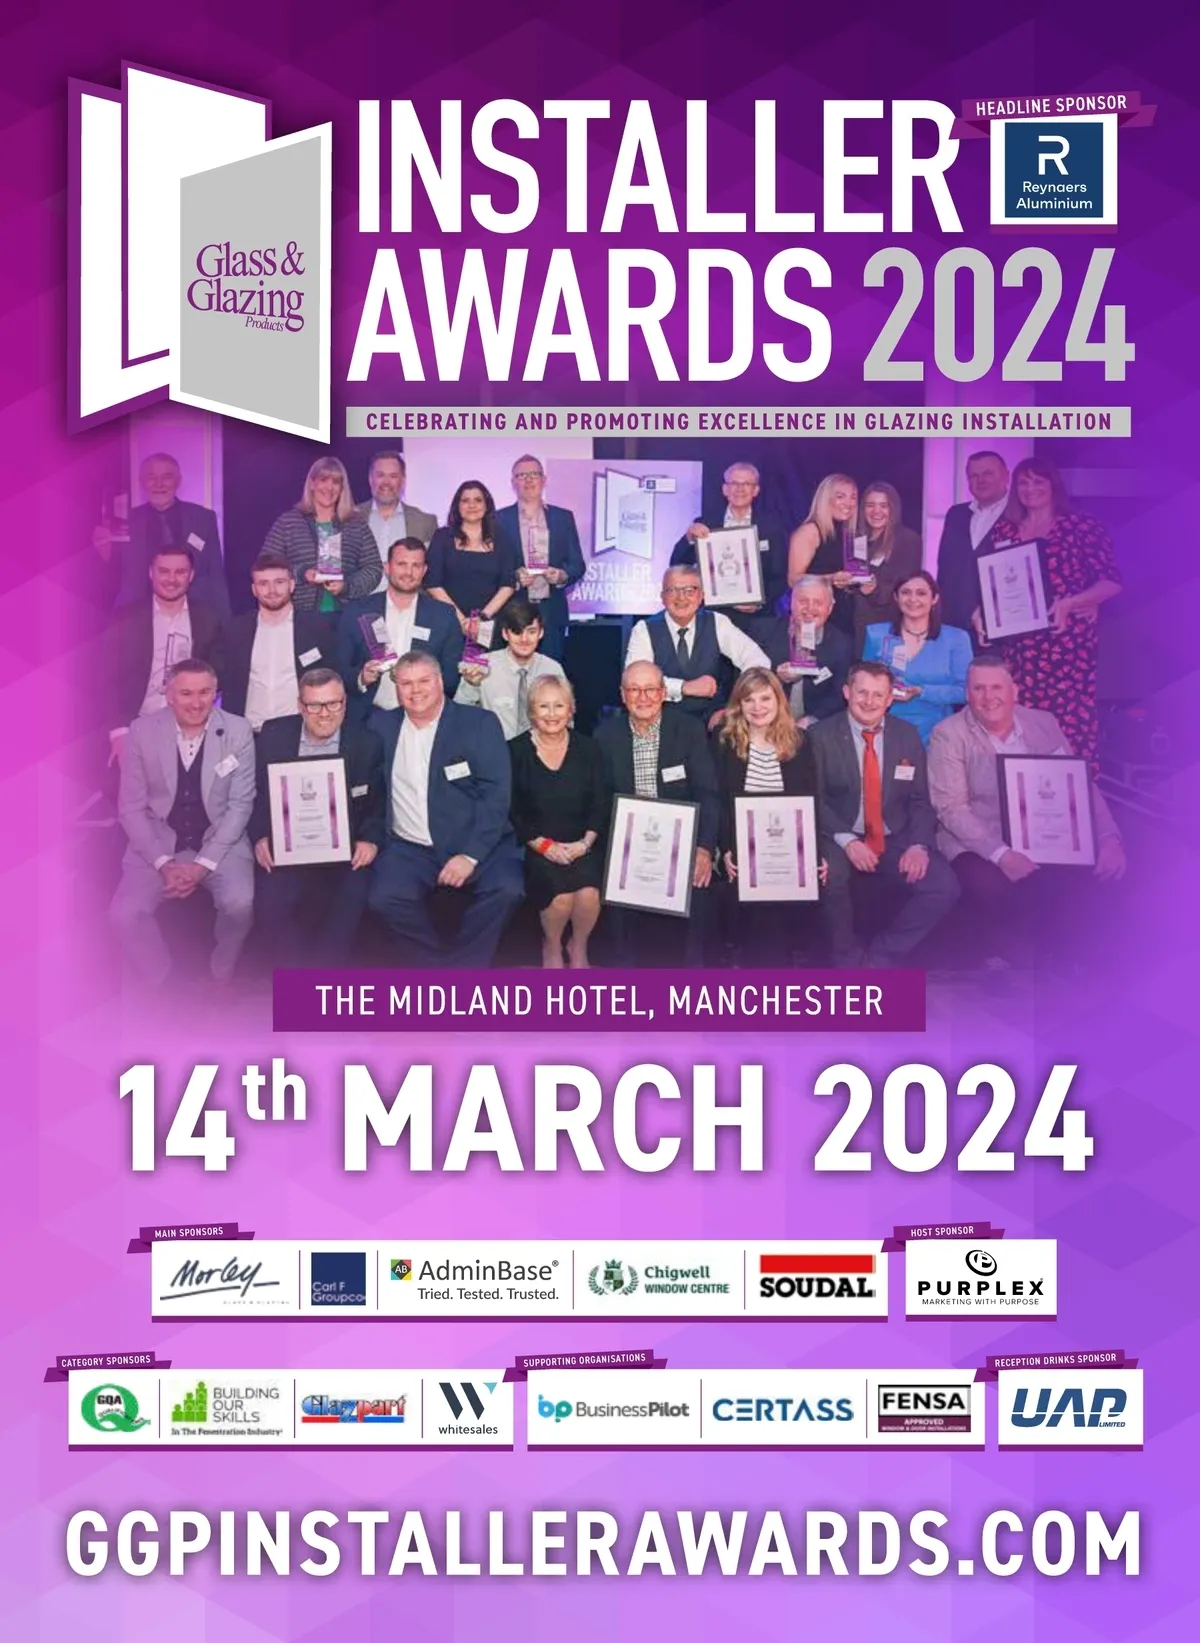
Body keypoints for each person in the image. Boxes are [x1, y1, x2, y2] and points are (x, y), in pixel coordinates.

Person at [928, 654, 1125, 965]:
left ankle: (1069, 963)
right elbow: (951, 808)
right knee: (991, 885)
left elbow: (1078, 784)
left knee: (1093, 873)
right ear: (967, 694)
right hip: (977, 839)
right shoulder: (948, 734)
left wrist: (1108, 837)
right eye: (979, 688)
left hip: (1044, 832)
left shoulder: (1043, 723)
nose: (988, 697)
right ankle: (1009, 963)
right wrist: (1002, 854)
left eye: (996, 687)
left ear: (1014, 691)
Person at [368, 652, 523, 967]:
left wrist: (470, 855)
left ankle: (464, 970)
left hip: (475, 841)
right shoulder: (381, 726)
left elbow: (496, 796)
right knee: (384, 897)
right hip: (410, 848)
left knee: (508, 889)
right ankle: (435, 972)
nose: (415, 690)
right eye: (406, 683)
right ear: (396, 687)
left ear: (440, 682)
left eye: (424, 681)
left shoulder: (479, 723)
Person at [109, 658, 254, 985]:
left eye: (205, 692)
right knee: (123, 915)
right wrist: (163, 863)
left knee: (239, 904)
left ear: (216, 693)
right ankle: (160, 979)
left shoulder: (238, 730)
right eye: (186, 693)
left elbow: (240, 806)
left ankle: (222, 974)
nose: (197, 702)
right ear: (169, 695)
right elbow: (131, 808)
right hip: (157, 842)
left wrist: (203, 864)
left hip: (221, 842)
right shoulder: (142, 731)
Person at [810, 661, 960, 966]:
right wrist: (848, 841)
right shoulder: (819, 735)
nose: (869, 701)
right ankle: (847, 960)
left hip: (894, 833)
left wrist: (919, 845)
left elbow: (919, 799)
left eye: (878, 695)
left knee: (943, 887)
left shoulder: (907, 735)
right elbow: (814, 799)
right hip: (839, 832)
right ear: (846, 692)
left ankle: (882, 955)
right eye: (862, 692)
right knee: (831, 877)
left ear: (890, 699)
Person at [989, 456, 1122, 769]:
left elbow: (1111, 583)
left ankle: (1075, 794)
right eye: (1024, 482)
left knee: (1069, 724)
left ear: (1053, 486)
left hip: (1067, 646)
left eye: (1038, 481)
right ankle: (1023, 792)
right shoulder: (1004, 530)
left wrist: (1073, 602)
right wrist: (986, 611)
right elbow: (996, 582)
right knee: (1019, 721)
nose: (1030, 488)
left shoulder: (1081, 526)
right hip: (1019, 648)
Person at [250, 669, 386, 965]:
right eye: (314, 705)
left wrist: (370, 841)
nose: (325, 714)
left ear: (344, 703)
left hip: (346, 851)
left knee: (350, 898)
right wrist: (260, 836)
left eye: (333, 704)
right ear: (300, 706)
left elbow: (377, 804)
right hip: (287, 848)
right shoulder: (274, 736)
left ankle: (325, 978)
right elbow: (257, 794)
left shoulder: (367, 743)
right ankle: (295, 976)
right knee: (270, 901)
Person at [594, 660, 720, 964]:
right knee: (616, 900)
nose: (643, 697)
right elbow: (600, 800)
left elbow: (707, 793)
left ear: (663, 693)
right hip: (629, 847)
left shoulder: (688, 730)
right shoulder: (604, 736)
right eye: (634, 690)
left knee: (699, 893)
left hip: (681, 845)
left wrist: (703, 849)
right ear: (622, 695)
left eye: (650, 689)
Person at [714, 668, 824, 963]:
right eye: (749, 700)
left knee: (785, 909)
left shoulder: (800, 741)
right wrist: (726, 849)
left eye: (765, 698)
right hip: (742, 849)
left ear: (779, 701)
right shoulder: (725, 742)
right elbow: (719, 802)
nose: (757, 707)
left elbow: (810, 801)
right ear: (739, 704)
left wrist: (816, 854)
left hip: (788, 850)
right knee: (755, 915)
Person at [509, 676, 610, 967]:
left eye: (559, 706)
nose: (552, 714)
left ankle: (578, 946)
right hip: (537, 844)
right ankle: (551, 946)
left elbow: (601, 802)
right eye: (543, 706)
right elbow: (512, 809)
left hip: (583, 843)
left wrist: (585, 843)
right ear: (532, 711)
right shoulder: (515, 751)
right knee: (562, 898)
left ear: (571, 709)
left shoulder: (589, 749)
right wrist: (543, 846)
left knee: (589, 894)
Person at [107, 545, 224, 755]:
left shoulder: (208, 618)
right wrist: (119, 731)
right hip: (136, 727)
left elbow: (217, 676)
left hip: (190, 728)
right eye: (164, 571)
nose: (171, 579)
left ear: (191, 576)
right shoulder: (125, 619)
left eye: (180, 572)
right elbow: (105, 678)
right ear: (151, 573)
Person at [94, 451, 231, 620]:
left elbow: (216, 575)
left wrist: (225, 622)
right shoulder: (124, 521)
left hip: (195, 616)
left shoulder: (203, 518)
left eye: (167, 477)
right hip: (138, 616)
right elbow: (113, 577)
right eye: (151, 477)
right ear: (142, 482)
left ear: (178, 481)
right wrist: (104, 552)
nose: (159, 484)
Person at [625, 566, 769, 724]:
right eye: (672, 590)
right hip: (661, 719)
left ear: (701, 596)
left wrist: (735, 706)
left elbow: (758, 661)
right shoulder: (644, 629)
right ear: (662, 597)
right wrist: (684, 687)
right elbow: (635, 681)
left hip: (711, 719)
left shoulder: (717, 622)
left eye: (690, 591)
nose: (681, 597)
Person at [337, 536, 464, 717]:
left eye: (416, 566)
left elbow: (451, 675)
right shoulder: (357, 611)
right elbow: (339, 668)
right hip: (368, 716)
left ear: (424, 570)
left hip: (424, 716)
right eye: (401, 564)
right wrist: (361, 678)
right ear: (387, 567)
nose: (408, 572)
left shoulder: (444, 615)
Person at [669, 460, 792, 642]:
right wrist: (689, 538)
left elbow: (780, 576)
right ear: (725, 489)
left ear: (756, 490)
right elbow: (677, 564)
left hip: (758, 619)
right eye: (734, 483)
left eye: (746, 484)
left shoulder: (772, 527)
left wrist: (759, 600)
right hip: (715, 616)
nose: (739, 489)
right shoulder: (706, 523)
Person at [219, 550, 336, 727]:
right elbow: (226, 682)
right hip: (249, 731)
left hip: (299, 730)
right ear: (254, 589)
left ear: (292, 585)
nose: (272, 590)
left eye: (279, 582)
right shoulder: (235, 630)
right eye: (263, 583)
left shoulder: (318, 628)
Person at [862, 570, 972, 746]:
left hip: (938, 733)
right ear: (896, 597)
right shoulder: (876, 635)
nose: (913, 599)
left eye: (921, 593)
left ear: (934, 598)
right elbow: (864, 684)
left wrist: (922, 692)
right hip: (886, 731)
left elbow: (966, 692)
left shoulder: (957, 639)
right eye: (906, 592)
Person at [494, 455, 585, 661]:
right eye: (521, 475)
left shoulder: (563, 517)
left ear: (544, 480)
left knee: (550, 673)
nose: (528, 480)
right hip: (513, 608)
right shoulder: (498, 519)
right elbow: (492, 567)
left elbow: (577, 565)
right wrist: (514, 576)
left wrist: (561, 575)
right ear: (513, 482)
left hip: (551, 611)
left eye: (534, 474)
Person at [262, 455, 379, 614]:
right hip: (300, 616)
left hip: (346, 616)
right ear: (312, 483)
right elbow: (267, 564)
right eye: (323, 480)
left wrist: (347, 586)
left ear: (342, 488)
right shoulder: (288, 523)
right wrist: (302, 574)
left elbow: (373, 568)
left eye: (336, 482)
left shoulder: (356, 524)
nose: (329, 487)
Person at [455, 598, 566, 738]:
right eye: (517, 632)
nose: (524, 639)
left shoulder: (552, 669)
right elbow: (460, 715)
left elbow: (566, 718)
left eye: (531, 632)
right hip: (496, 746)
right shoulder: (482, 665)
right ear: (505, 634)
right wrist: (471, 685)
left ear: (541, 633)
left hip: (541, 747)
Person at [426, 480, 520, 641]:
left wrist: (482, 619)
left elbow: (508, 584)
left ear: (487, 505)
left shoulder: (502, 538)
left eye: (478, 500)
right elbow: (433, 583)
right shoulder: (442, 537)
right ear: (457, 506)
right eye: (465, 500)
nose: (472, 505)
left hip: (491, 624)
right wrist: (462, 621)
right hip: (449, 623)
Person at [935, 450, 1010, 636]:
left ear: (1006, 476)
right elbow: (944, 570)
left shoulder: (1019, 516)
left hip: (999, 626)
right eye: (974, 476)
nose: (981, 480)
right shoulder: (955, 515)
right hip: (952, 625)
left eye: (988, 473)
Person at [842, 481, 924, 652]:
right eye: (870, 505)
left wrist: (874, 591)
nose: (876, 511)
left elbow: (904, 586)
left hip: (887, 627)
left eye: (883, 506)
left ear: (893, 509)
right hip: (853, 626)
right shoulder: (856, 538)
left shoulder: (907, 539)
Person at [764, 576, 853, 726]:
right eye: (803, 601)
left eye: (818, 603)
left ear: (830, 608)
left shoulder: (841, 644)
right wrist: (777, 677)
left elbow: (839, 694)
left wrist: (812, 719)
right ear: (791, 603)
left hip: (813, 726)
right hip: (767, 719)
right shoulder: (764, 632)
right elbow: (747, 680)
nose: (810, 608)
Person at [352, 450, 438, 593]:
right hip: (360, 603)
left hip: (410, 604)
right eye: (380, 475)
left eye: (393, 476)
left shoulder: (425, 522)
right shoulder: (351, 517)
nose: (386, 482)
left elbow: (434, 574)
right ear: (370, 479)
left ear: (403, 481)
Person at [787, 472, 860, 634]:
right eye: (840, 497)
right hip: (813, 617)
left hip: (843, 616)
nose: (848, 503)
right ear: (825, 499)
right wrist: (830, 578)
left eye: (853, 497)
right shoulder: (810, 531)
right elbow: (793, 580)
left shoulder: (848, 533)